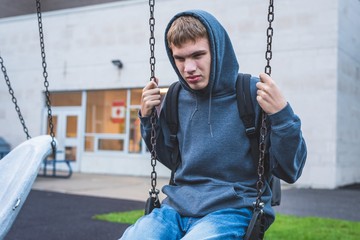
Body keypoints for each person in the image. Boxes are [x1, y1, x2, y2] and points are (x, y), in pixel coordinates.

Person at [120, 10, 307, 239]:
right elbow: (170, 159)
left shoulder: (251, 93)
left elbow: (291, 170)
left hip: (233, 209)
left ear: (217, 51)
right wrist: (147, 119)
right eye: (180, 58)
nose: (188, 67)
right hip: (176, 208)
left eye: (198, 55)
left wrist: (282, 115)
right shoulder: (175, 97)